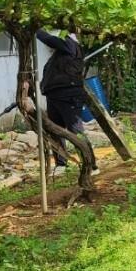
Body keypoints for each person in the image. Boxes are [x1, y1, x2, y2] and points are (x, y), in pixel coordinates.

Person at [35, 29, 94, 177]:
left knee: (76, 131)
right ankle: (61, 163)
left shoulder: (71, 45)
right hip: (54, 96)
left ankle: (91, 164)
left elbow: (49, 40)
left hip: (69, 97)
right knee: (55, 130)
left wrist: (37, 30)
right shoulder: (59, 55)